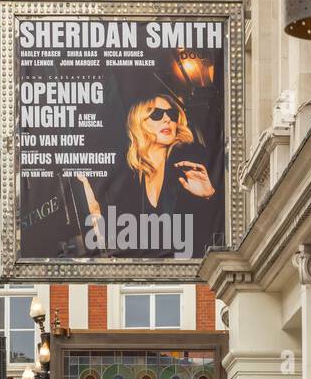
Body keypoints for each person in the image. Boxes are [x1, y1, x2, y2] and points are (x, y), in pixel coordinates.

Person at [74, 95, 220, 259]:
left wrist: (210, 196)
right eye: (157, 114)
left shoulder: (191, 159)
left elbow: (216, 230)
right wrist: (93, 209)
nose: (167, 119)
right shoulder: (129, 179)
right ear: (139, 124)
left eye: (171, 114)